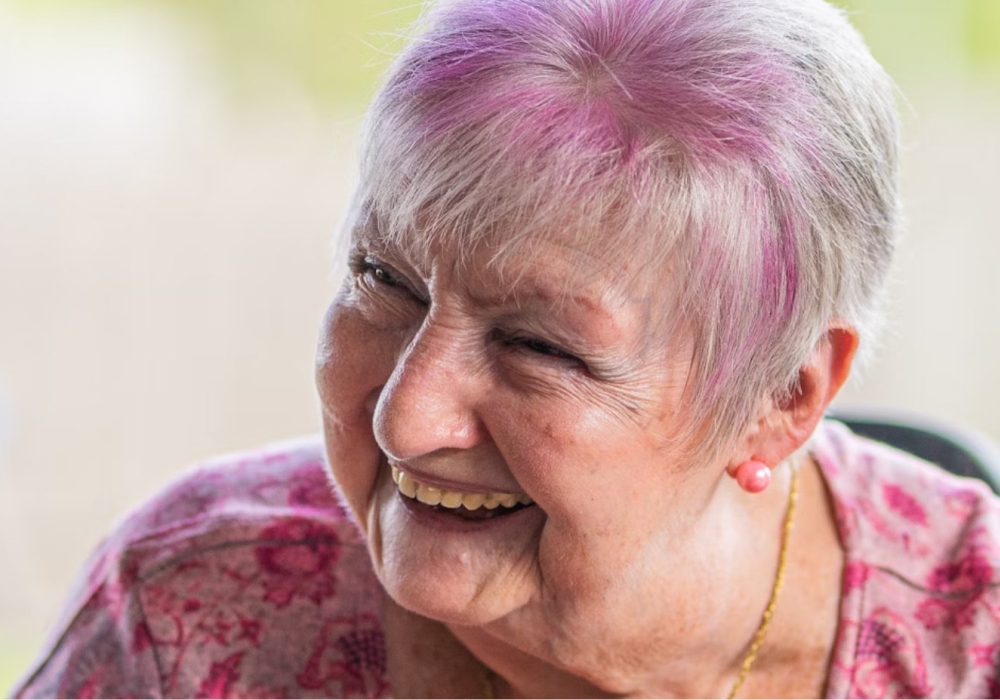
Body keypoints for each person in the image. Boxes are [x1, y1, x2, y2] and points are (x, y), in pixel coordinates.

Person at [13, 0, 1000, 697]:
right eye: (382, 280)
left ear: (781, 396)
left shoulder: (973, 641)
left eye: (538, 344)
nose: (406, 416)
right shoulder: (192, 607)